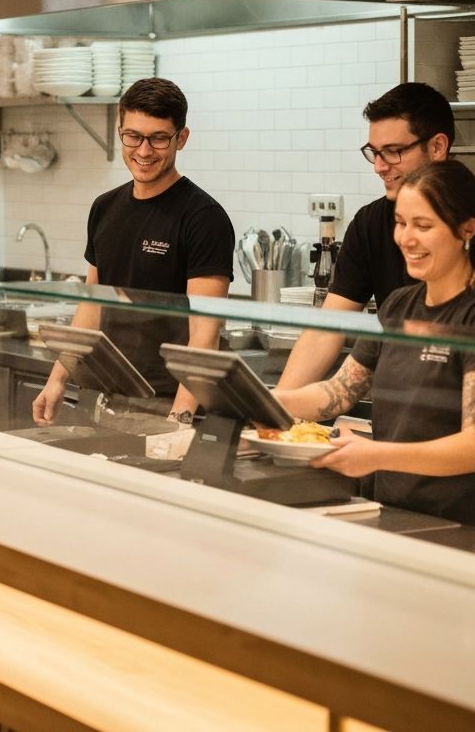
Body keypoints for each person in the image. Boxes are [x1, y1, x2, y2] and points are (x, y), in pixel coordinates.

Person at [277, 160, 475, 525]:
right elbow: (340, 391)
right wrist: (270, 401)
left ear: (467, 229)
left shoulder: (470, 315)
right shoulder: (399, 304)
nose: (406, 239)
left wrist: (378, 455)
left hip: (459, 522)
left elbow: (473, 445)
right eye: (401, 223)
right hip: (393, 510)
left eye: (423, 225)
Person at [32, 78, 235, 426]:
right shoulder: (105, 208)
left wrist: (181, 418)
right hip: (109, 394)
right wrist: (57, 379)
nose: (143, 151)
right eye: (133, 136)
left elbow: (205, 333)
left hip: (173, 400)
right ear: (119, 131)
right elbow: (92, 306)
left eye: (158, 138)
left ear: (181, 138)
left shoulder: (204, 218)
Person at [277, 82, 454, 390]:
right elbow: (327, 329)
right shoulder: (371, 224)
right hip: (395, 416)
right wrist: (275, 409)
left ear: (437, 147)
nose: (380, 167)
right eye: (374, 153)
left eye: (394, 152)